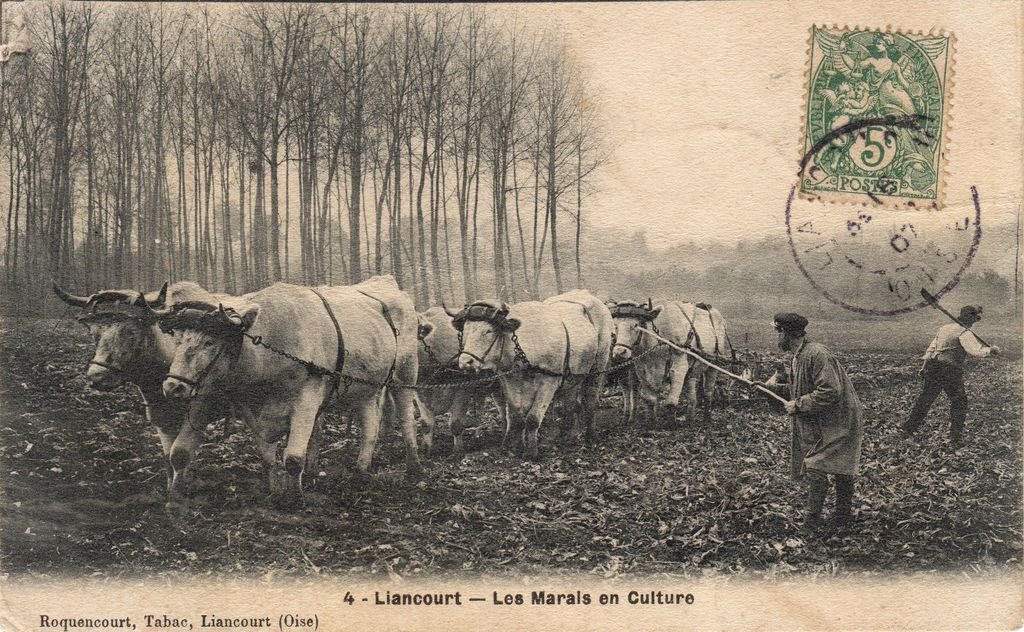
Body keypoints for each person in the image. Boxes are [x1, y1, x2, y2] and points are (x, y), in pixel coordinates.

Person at [766, 313, 865, 534]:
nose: (777, 338)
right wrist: (769, 390)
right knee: (838, 467)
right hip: (827, 418)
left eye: (778, 332)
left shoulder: (817, 354)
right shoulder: (799, 356)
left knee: (817, 464)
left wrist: (799, 405)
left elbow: (831, 391)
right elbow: (799, 390)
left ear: (787, 333)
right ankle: (842, 516)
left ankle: (812, 521)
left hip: (841, 418)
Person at [903, 304, 1000, 447]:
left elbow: (932, 348)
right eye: (974, 319)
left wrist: (924, 366)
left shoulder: (944, 328)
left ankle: (908, 429)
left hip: (933, 367)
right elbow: (975, 351)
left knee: (926, 398)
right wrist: (991, 350)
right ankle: (955, 438)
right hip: (949, 370)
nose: (974, 322)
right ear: (970, 318)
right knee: (959, 401)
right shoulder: (965, 333)